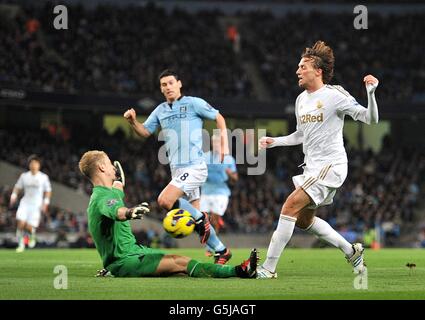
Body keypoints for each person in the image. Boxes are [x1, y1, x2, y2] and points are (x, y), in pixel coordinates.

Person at [257, 40, 379, 278]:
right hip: (312, 168)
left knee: (289, 205)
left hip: (330, 167)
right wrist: (276, 141)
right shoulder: (301, 100)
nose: (297, 71)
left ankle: (268, 268)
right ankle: (351, 251)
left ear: (318, 71)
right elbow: (301, 134)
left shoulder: (335, 95)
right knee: (303, 221)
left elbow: (370, 119)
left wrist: (371, 95)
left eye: (303, 67)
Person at [78, 150, 258, 278]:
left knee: (177, 270)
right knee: (181, 262)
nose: (113, 167)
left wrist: (118, 184)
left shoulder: (108, 192)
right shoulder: (102, 198)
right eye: (109, 163)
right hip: (125, 260)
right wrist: (130, 212)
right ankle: (240, 271)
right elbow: (117, 211)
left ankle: (112, 270)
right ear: (102, 167)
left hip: (134, 253)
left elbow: (117, 190)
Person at [124, 69, 232, 264]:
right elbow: (145, 132)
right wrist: (133, 122)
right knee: (197, 223)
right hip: (177, 170)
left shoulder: (193, 103)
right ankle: (221, 251)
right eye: (164, 85)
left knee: (165, 201)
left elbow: (219, 118)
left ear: (179, 84)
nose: (168, 87)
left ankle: (204, 220)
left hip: (195, 167)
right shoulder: (160, 110)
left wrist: (224, 143)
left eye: (171, 83)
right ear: (161, 89)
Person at [201, 134, 238, 261]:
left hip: (221, 192)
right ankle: (211, 244)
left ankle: (212, 246)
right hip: (205, 192)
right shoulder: (204, 157)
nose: (216, 144)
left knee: (214, 219)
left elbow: (235, 179)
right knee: (204, 221)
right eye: (214, 142)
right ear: (212, 143)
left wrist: (230, 174)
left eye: (219, 142)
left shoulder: (228, 159)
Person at [9, 154, 52, 252]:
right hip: (25, 203)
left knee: (29, 227)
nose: (33, 165)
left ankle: (32, 233)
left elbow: (48, 191)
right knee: (20, 223)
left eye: (35, 163)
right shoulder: (24, 176)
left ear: (39, 165)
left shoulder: (43, 177)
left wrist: (46, 202)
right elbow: (17, 187)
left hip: (36, 205)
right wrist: (14, 195)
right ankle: (21, 244)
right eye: (32, 163)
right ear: (29, 165)